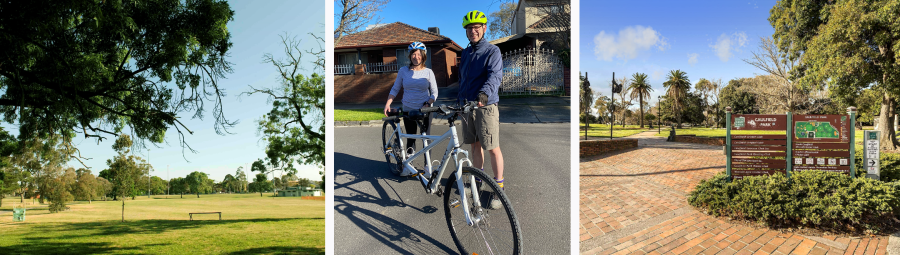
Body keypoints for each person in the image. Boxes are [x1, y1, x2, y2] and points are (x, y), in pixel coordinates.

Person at [458, 10, 505, 194]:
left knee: (492, 147)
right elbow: (462, 80)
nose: (473, 31)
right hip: (467, 106)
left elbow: (495, 75)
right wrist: (459, 101)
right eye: (469, 28)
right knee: (475, 146)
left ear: (484, 28)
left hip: (486, 106)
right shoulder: (466, 52)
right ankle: (477, 180)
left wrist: (484, 93)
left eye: (476, 27)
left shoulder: (492, 51)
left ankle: (499, 187)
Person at [384, 42, 438, 176]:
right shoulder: (403, 71)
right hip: (408, 108)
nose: (416, 56)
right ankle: (409, 165)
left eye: (419, 54)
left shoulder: (428, 72)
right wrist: (388, 103)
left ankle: (427, 167)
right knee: (411, 137)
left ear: (423, 56)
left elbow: (434, 92)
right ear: (410, 56)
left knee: (426, 138)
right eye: (414, 54)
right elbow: (395, 88)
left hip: (425, 110)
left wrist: (428, 103)